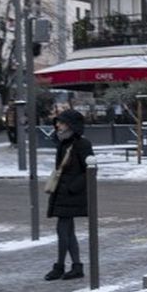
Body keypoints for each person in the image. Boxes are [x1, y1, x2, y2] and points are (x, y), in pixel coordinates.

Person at [45, 110, 94, 281]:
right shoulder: (62, 143)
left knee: (63, 230)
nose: (58, 125)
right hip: (62, 192)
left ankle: (60, 266)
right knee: (67, 231)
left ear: (71, 125)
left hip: (71, 193)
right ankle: (76, 266)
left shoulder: (82, 144)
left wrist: (73, 187)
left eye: (62, 123)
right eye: (57, 122)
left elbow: (90, 169)